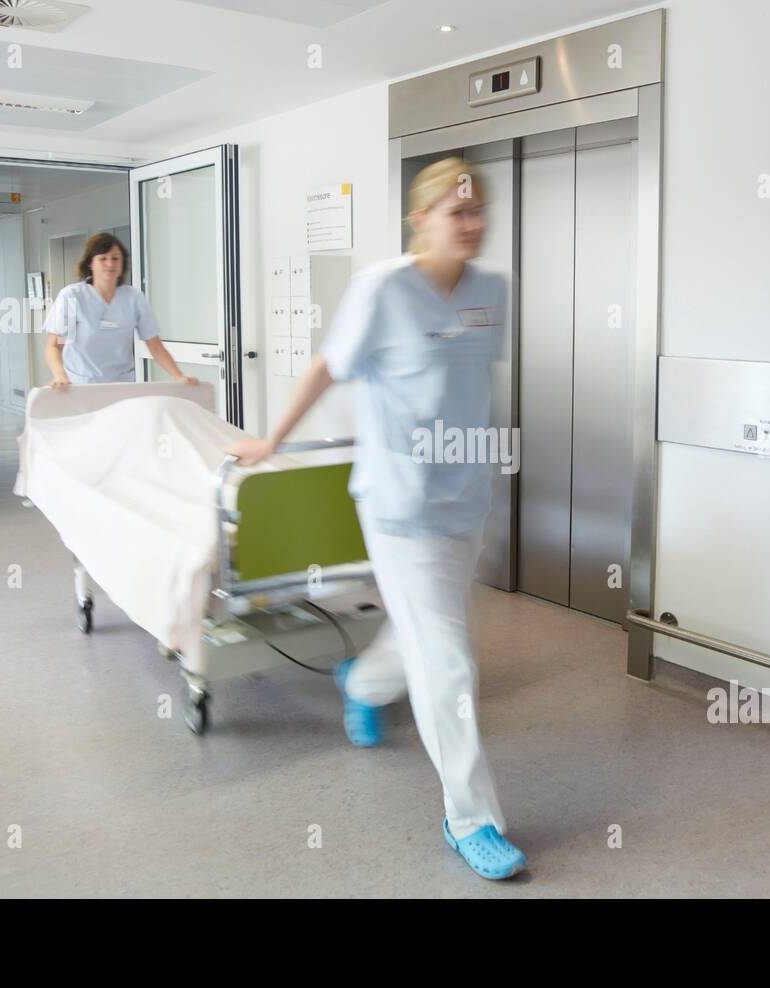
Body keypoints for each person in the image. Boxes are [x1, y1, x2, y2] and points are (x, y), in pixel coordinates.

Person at [228, 157, 525, 880]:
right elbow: (328, 367)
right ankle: (471, 819)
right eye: (457, 211)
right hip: (400, 506)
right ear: (420, 219)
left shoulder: (493, 290)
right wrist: (272, 439)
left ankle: (362, 683)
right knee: (450, 663)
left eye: (478, 208)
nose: (473, 222)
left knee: (426, 637)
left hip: (467, 499)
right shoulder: (382, 289)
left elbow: (473, 385)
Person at [43, 232, 197, 388]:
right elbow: (55, 346)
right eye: (103, 258)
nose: (110, 264)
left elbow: (155, 345)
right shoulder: (72, 297)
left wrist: (179, 376)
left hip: (122, 387)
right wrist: (60, 377)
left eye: (115, 258)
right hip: (81, 386)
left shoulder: (133, 298)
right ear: (90, 263)